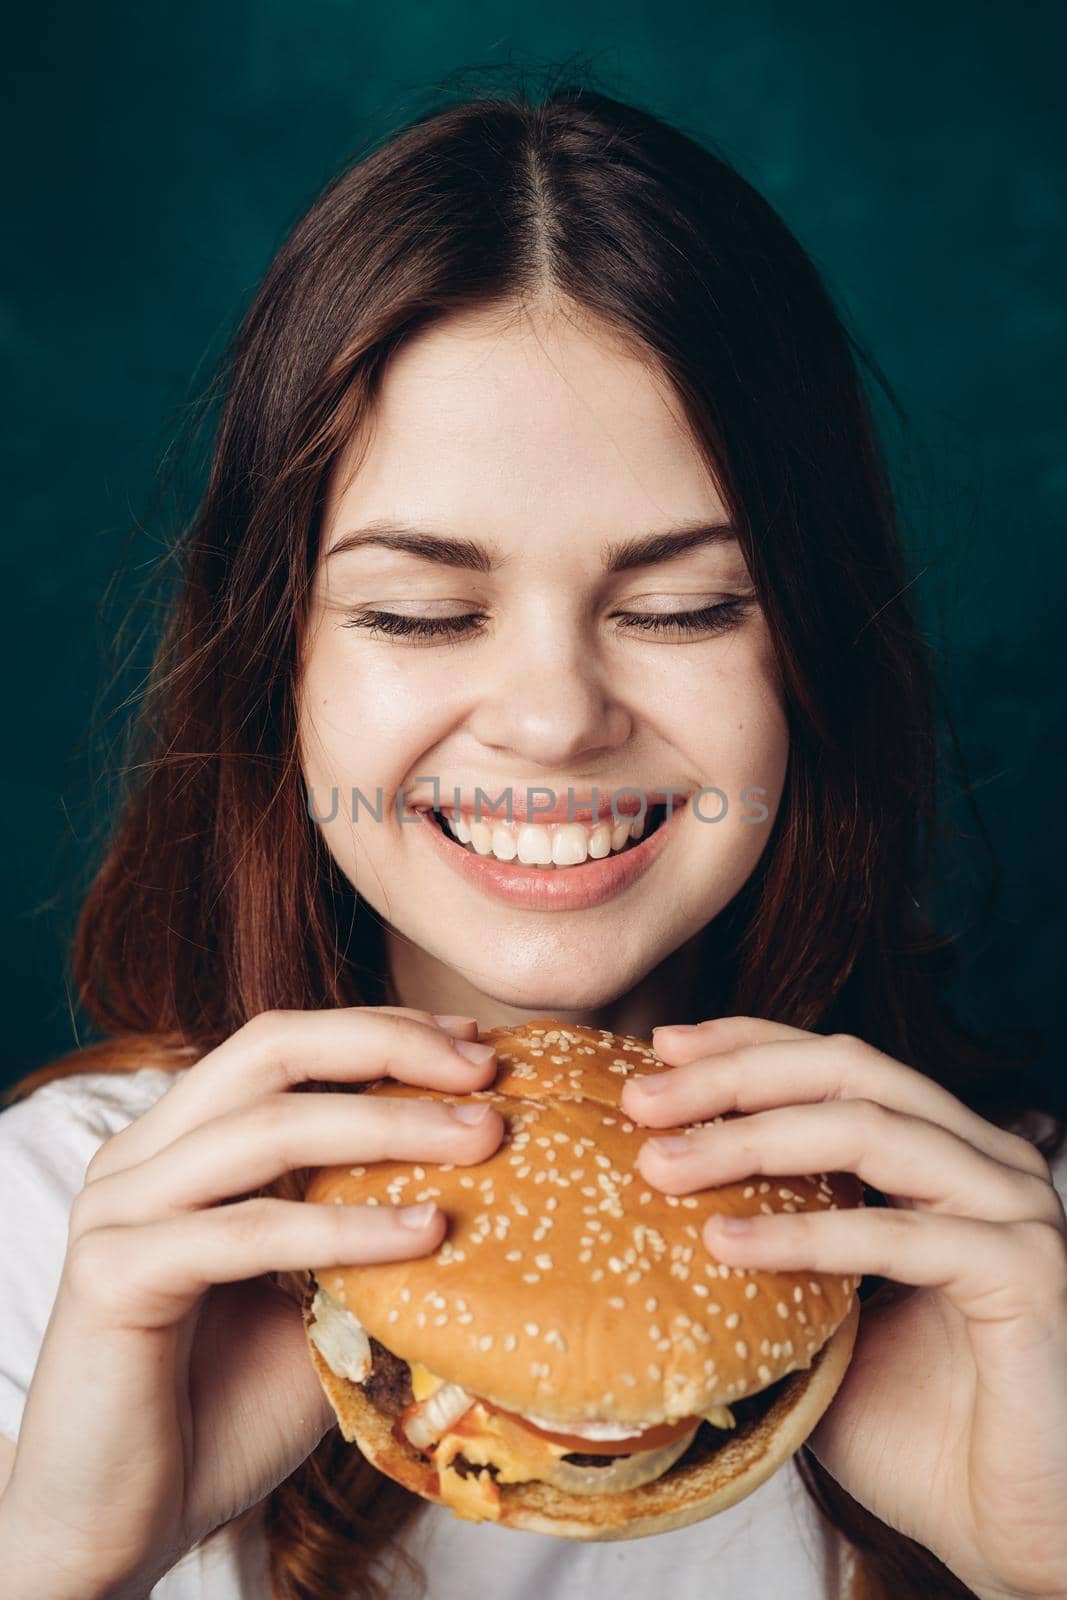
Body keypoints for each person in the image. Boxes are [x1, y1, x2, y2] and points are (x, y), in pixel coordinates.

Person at [1, 74, 1065, 1600]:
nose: (556, 719)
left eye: (682, 605)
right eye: (422, 611)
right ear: (277, 661)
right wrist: (52, 1566)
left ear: (814, 657)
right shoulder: (63, 1230)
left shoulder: (1014, 1266)